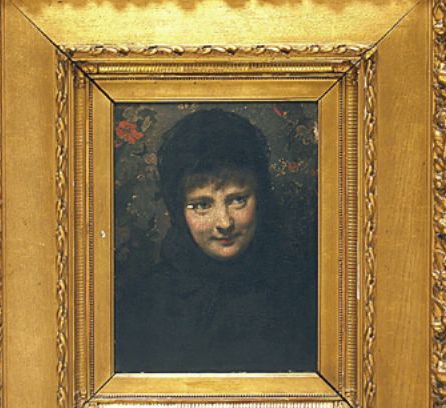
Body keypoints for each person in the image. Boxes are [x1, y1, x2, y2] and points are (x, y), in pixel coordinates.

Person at [116, 109, 316, 373]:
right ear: (178, 211)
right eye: (202, 205)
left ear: (260, 197)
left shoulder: (300, 293)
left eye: (238, 200)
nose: (224, 222)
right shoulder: (146, 304)